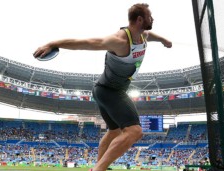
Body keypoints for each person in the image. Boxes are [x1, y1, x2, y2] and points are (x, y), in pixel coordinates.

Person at [33, 3, 172, 171]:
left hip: (102, 90)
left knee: (114, 131)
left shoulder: (142, 35)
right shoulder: (119, 41)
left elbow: (151, 35)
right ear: (140, 19)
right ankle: (99, 169)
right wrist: (53, 43)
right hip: (110, 91)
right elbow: (85, 42)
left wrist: (163, 40)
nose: (153, 19)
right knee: (135, 131)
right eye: (150, 17)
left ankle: (98, 166)